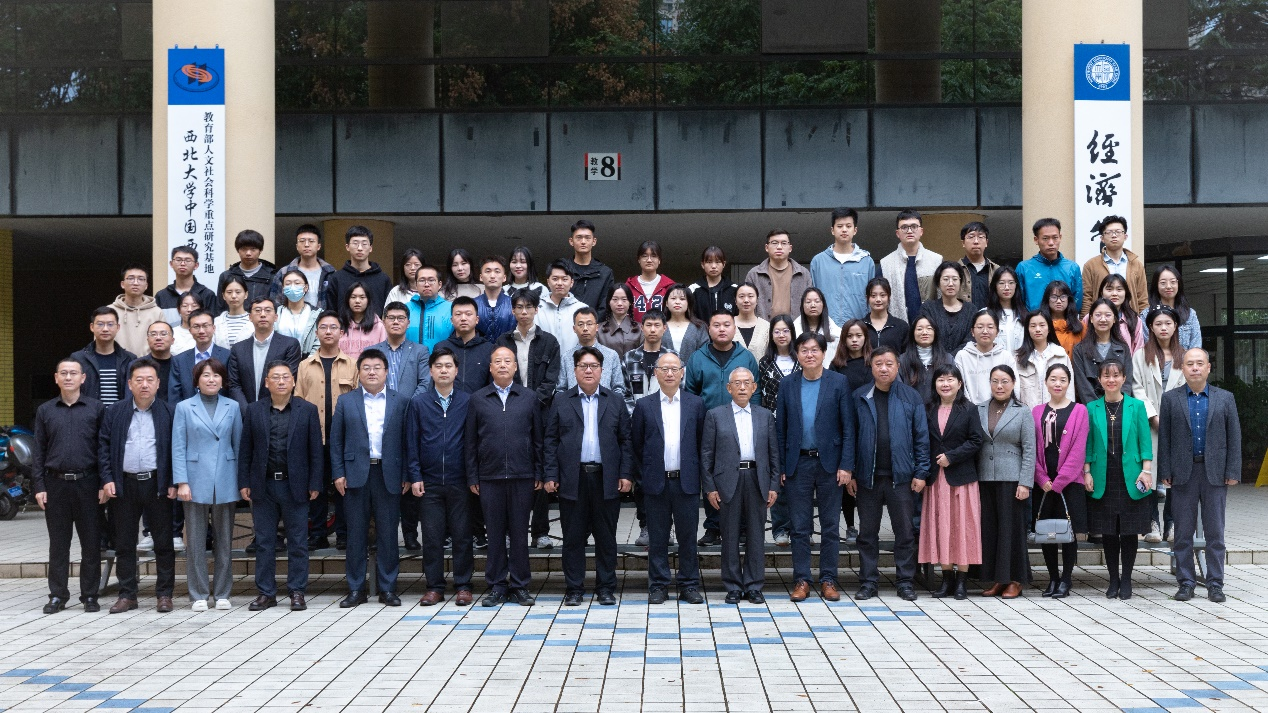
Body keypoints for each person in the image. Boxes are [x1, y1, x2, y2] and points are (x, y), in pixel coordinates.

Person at [545, 346, 633, 607]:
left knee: (606, 538)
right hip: (572, 478)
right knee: (573, 537)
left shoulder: (614, 400)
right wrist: (550, 474)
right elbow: (550, 441)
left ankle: (606, 587)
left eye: (593, 366)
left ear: (602, 370)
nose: (588, 370)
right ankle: (574, 588)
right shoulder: (562, 400)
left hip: (606, 478)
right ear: (574, 371)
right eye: (583, 366)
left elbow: (626, 441)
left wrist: (626, 473)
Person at [237, 361, 323, 612]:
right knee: (265, 542)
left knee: (298, 541)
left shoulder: (307, 410)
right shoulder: (254, 410)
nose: (281, 381)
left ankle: (297, 591)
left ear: (294, 381)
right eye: (275, 377)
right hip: (263, 486)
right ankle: (266, 593)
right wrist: (244, 482)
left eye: (286, 377)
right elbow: (246, 450)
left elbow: (315, 451)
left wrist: (315, 482)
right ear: (267, 383)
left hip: (295, 486)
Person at [776, 333, 855, 602]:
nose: (809, 355)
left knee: (831, 526)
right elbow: (781, 429)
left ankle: (828, 579)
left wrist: (846, 465)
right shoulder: (787, 384)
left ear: (823, 353)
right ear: (797, 355)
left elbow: (848, 428)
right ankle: (802, 580)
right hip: (798, 463)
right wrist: (782, 466)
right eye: (804, 350)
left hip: (830, 464)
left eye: (814, 350)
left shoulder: (838, 382)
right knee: (799, 527)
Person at [331, 349, 411, 608]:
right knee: (356, 534)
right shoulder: (346, 401)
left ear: (387, 372)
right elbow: (336, 441)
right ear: (359, 373)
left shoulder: (401, 401)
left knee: (388, 533)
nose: (372, 372)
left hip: (389, 474)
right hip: (355, 475)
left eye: (377, 367)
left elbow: (408, 442)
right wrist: (338, 473)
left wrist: (407, 474)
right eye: (366, 368)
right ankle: (356, 588)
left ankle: (388, 588)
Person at [1160, 348, 1241, 603]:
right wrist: (1165, 470)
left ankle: (1215, 583)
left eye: (1199, 363)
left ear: (1208, 368)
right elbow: (1165, 439)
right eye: (1190, 364)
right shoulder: (1170, 399)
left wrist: (1233, 470)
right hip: (1182, 473)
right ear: (1182, 368)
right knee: (1183, 533)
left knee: (1215, 532)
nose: (1195, 368)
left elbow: (1234, 436)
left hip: (1214, 473)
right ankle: (1186, 583)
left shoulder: (1225, 398)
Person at [466, 347, 543, 607]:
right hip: (489, 477)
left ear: (515, 367)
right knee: (495, 534)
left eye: (507, 361)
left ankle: (520, 585)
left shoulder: (529, 397)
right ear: (490, 368)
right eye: (497, 361)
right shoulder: (478, 399)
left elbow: (538, 439)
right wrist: (473, 476)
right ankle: (497, 585)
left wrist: (538, 472)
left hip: (523, 475)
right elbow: (470, 442)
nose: (502, 365)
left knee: (520, 533)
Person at [852, 346, 930, 601]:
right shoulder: (860, 396)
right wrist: (851, 472)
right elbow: (850, 437)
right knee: (867, 534)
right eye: (878, 364)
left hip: (902, 478)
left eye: (889, 364)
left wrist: (921, 472)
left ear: (898, 367)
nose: (883, 369)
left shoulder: (911, 397)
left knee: (905, 533)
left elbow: (921, 438)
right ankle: (868, 582)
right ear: (871, 367)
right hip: (868, 478)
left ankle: (905, 582)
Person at [632, 353, 706, 605]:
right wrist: (643, 479)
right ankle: (658, 585)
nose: (670, 373)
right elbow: (637, 446)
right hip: (656, 482)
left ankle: (689, 584)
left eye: (674, 368)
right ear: (656, 373)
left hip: (686, 482)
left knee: (688, 538)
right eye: (664, 369)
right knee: (658, 538)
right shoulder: (644, 405)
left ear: (682, 372)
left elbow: (702, 444)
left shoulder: (696, 404)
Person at [32, 358, 105, 614]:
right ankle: (57, 595)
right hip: (56, 484)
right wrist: (39, 485)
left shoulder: (96, 408)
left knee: (91, 543)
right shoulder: (45, 411)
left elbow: (103, 449)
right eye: (63, 373)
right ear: (56, 378)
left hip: (89, 483)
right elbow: (38, 451)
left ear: (83, 378)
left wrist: (104, 482)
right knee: (59, 544)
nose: (68, 377)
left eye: (73, 373)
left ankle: (90, 595)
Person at [702, 368, 780, 605]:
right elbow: (707, 455)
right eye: (737, 383)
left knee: (756, 534)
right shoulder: (715, 415)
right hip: (727, 480)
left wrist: (774, 484)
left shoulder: (765, 416)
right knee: (730, 534)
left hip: (757, 478)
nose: (742, 387)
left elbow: (774, 454)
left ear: (754, 387)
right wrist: (710, 487)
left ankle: (754, 585)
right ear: (729, 388)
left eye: (747, 383)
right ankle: (733, 585)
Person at [406, 348, 476, 607]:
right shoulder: (419, 403)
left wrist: (473, 477)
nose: (444, 370)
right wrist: (415, 475)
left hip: (460, 481)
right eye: (438, 366)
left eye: (448, 366)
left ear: (456, 371)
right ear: (431, 371)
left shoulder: (468, 401)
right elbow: (412, 442)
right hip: (430, 482)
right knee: (432, 538)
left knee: (462, 536)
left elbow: (474, 442)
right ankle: (434, 586)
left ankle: (463, 585)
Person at [172, 358, 242, 611]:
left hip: (226, 477)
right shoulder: (184, 407)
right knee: (195, 542)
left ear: (223, 380)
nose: (211, 379)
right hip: (194, 479)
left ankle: (223, 593)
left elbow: (238, 445)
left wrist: (242, 481)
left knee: (225, 541)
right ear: (197, 380)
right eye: (206, 375)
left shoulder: (233, 406)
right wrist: (181, 481)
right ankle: (198, 594)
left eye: (216, 375)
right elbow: (178, 446)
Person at [1084, 358, 1153, 600]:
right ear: (1100, 380)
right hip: (1103, 474)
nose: (1111, 380)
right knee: (1109, 532)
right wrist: (1086, 471)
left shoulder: (1137, 406)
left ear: (1124, 379)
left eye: (1116, 375)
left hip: (1131, 475)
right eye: (1106, 375)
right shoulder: (1091, 408)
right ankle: (1113, 579)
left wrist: (1146, 470)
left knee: (1129, 531)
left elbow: (1145, 441)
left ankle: (1126, 580)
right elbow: (1088, 443)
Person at [919, 364, 985, 600]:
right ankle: (946, 579)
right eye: (941, 380)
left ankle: (961, 581)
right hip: (936, 480)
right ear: (934, 384)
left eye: (950, 379)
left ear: (959, 383)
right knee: (942, 527)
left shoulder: (969, 409)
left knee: (962, 527)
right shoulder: (927, 409)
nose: (945, 384)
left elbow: (976, 440)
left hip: (961, 479)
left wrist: (952, 457)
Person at [295, 311, 358, 550]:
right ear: (316, 332)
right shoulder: (304, 366)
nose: (328, 331)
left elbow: (358, 402)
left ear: (341, 333)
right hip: (314, 437)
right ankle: (318, 533)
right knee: (316, 486)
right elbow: (298, 401)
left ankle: (343, 533)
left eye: (333, 327)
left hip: (343, 437)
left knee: (343, 487)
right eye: (323, 327)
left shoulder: (352, 365)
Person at [976, 365, 1035, 599]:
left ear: (1013, 384)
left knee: (1012, 531)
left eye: (1004, 381)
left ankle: (1016, 580)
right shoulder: (980, 408)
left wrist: (1025, 483)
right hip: (985, 478)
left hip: (1012, 479)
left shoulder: (1022, 411)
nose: (999, 386)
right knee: (991, 530)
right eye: (995, 381)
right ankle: (999, 579)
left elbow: (1030, 450)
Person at [1032, 363, 1089, 598]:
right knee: (1047, 533)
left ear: (1069, 383)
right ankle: (1052, 578)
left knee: (1067, 532)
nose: (1057, 384)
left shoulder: (1079, 411)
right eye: (1053, 379)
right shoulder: (1036, 412)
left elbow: (1078, 451)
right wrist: (1041, 478)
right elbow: (1032, 449)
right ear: (1046, 382)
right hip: (1043, 484)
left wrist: (1059, 482)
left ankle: (1066, 579)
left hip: (1069, 483)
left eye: (1062, 380)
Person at [1131, 306, 1186, 544]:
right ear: (1150, 328)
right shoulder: (1140, 355)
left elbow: (1189, 388)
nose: (1163, 328)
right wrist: (1153, 416)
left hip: (1178, 425)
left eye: (1168, 323)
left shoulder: (1185, 356)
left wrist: (1171, 419)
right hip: (1149, 424)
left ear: (1175, 326)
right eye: (1158, 324)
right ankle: (1151, 522)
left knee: (1175, 474)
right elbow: (1136, 388)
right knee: (1149, 472)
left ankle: (1172, 523)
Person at [227, 297, 303, 409]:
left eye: (268, 310)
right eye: (257, 310)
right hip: (245, 412)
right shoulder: (238, 349)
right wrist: (248, 412)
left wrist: (266, 413)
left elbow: (289, 381)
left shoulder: (290, 345)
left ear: (276, 317)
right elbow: (234, 385)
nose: (263, 314)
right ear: (250, 317)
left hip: (278, 411)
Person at [496, 287, 562, 411]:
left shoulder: (550, 342)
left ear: (536, 310)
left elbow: (551, 378)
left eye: (529, 307)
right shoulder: (503, 341)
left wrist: (534, 401)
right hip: (509, 407)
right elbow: (498, 375)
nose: (524, 312)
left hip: (541, 407)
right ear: (513, 310)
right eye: (519, 307)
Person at [811, 207, 878, 326]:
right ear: (832, 230)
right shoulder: (818, 261)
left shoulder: (866, 261)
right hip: (826, 328)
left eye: (848, 226)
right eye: (839, 226)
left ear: (855, 230)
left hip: (858, 328)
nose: (844, 230)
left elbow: (872, 297)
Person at [880, 210, 943, 325]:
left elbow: (942, 297)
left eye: (914, 226)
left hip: (929, 327)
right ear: (897, 233)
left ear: (921, 231)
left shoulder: (936, 260)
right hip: (897, 327)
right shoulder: (885, 263)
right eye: (904, 227)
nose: (909, 231)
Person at [1081, 215, 1148, 315]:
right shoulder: (1091, 265)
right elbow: (1087, 298)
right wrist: (1085, 322)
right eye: (1109, 232)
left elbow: (1142, 299)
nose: (1114, 235)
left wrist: (1143, 322)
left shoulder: (1136, 265)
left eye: (1118, 232)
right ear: (1102, 238)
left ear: (1125, 236)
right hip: (1101, 320)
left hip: (1130, 320)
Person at [1072, 299, 1134, 404]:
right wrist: (1097, 409)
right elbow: (1083, 387)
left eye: (1108, 315)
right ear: (1091, 319)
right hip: (1092, 408)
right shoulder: (1079, 350)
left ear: (1115, 319)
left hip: (1120, 407)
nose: (1103, 319)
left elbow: (1127, 382)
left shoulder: (1123, 348)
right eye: (1098, 315)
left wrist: (1118, 406)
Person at [366, 301, 431, 402]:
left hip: (411, 408)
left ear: (408, 323)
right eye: (391, 318)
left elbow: (425, 383)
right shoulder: (371, 352)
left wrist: (410, 406)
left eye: (401, 318)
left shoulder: (420, 352)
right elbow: (365, 383)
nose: (396, 322)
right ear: (384, 322)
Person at [73, 306, 136, 407]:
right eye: (100, 324)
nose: (105, 329)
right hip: (89, 414)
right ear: (92, 327)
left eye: (110, 324)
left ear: (118, 327)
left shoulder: (129, 359)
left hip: (119, 414)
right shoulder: (78, 359)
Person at [556, 307, 625, 398]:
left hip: (605, 405)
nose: (585, 328)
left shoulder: (611, 355)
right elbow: (561, 390)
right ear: (574, 328)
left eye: (589, 324)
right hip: (573, 405)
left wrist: (610, 405)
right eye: (580, 324)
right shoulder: (566, 357)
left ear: (597, 327)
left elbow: (618, 388)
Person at [744, 229, 813, 320]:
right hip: (763, 326)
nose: (779, 247)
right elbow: (747, 305)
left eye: (784, 243)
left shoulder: (803, 274)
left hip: (795, 326)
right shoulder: (754, 274)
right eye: (774, 243)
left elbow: (810, 303)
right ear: (766, 247)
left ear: (790, 248)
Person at [1017, 218, 1082, 312]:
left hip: (1064, 320)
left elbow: (1077, 302)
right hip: (1034, 320)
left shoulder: (1072, 268)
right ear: (1036, 240)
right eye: (1045, 238)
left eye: (1055, 237)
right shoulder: (1024, 268)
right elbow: (1018, 302)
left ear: (1060, 237)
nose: (1051, 243)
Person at [326, 225, 393, 317]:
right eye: (355, 243)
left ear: (370, 248)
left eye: (364, 244)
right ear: (347, 247)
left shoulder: (383, 279)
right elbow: (331, 312)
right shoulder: (336, 278)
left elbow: (389, 312)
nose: (360, 248)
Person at [169, 309, 230, 406]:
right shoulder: (179, 360)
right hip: (187, 412)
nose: (201, 331)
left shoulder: (227, 356)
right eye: (196, 326)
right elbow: (175, 396)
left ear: (213, 328)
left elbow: (231, 389)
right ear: (190, 330)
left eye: (205, 326)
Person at [269, 224, 336, 311]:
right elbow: (275, 302)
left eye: (311, 241)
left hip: (322, 318)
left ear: (318, 246)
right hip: (290, 318)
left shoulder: (330, 273)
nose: (306, 245)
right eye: (302, 241)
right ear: (297, 246)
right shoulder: (284, 272)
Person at [436, 296, 495, 393]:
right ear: (451, 320)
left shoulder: (489, 349)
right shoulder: (441, 348)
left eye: (468, 314)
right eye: (458, 314)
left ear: (477, 319)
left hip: (480, 401)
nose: (463, 318)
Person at [1013, 311, 1071, 409]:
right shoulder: (1018, 358)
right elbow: (1015, 392)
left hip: (1057, 413)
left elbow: (1069, 389)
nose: (1038, 329)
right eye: (1033, 326)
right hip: (1028, 413)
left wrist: (1068, 411)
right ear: (1027, 329)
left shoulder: (1060, 355)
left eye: (1042, 325)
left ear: (1049, 328)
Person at [621, 308, 675, 412]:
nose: (653, 330)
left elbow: (679, 390)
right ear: (642, 327)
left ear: (664, 328)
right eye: (649, 325)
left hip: (666, 416)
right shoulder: (629, 358)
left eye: (657, 325)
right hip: (635, 417)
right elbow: (624, 393)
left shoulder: (673, 358)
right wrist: (636, 415)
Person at [562, 219, 616, 321]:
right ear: (571, 241)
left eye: (587, 238)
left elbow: (606, 306)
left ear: (594, 241)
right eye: (579, 237)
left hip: (595, 327)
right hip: (565, 325)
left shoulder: (605, 272)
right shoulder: (562, 270)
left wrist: (591, 324)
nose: (583, 242)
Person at [954, 311, 1010, 405]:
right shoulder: (962, 356)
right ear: (972, 331)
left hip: (1001, 409)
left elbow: (1014, 387)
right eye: (980, 327)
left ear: (997, 332)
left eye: (990, 327)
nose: (985, 331)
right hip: (970, 410)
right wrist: (970, 410)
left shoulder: (1006, 356)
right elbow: (959, 388)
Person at [920, 261, 976, 353]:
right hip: (934, 359)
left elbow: (972, 339)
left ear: (960, 282)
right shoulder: (928, 308)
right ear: (938, 283)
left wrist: (952, 358)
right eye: (946, 279)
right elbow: (924, 336)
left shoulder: (971, 310)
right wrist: (942, 358)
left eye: (955, 279)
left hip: (964, 360)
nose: (950, 283)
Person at [110, 264, 165, 357]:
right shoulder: (110, 311)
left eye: (141, 279)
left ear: (146, 285)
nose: (135, 283)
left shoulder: (156, 312)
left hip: (147, 363)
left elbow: (163, 342)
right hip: (117, 363)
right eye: (131, 278)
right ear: (122, 284)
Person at [155, 246, 218, 327]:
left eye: (188, 260)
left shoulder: (207, 295)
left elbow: (211, 324)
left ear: (196, 265)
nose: (182, 264)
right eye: (178, 260)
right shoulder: (162, 296)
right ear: (171, 264)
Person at [216, 229, 277, 311]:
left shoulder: (272, 276)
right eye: (244, 249)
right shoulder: (226, 276)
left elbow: (275, 307)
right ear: (238, 250)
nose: (248, 253)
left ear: (260, 250)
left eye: (253, 249)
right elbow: (220, 308)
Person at [536, 260, 586, 356]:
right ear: (548, 282)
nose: (559, 283)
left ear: (571, 282)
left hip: (574, 362)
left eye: (564, 279)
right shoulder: (536, 308)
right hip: (543, 363)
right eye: (555, 279)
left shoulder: (582, 309)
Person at [1144, 265, 1202, 351]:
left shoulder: (1190, 314)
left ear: (1179, 284)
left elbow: (1196, 346)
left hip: (1186, 359)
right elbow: (1146, 345)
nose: (1168, 286)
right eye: (1163, 283)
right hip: (1155, 359)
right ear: (1156, 285)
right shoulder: (1146, 314)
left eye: (1173, 282)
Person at [898, 315, 952, 405]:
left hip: (942, 410)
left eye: (929, 328)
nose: (924, 332)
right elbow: (899, 392)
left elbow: (953, 388)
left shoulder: (947, 359)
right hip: (911, 411)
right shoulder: (902, 360)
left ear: (935, 332)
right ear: (913, 333)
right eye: (919, 329)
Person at [1086, 274, 1144, 353]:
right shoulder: (1090, 317)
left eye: (1119, 289)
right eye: (1109, 289)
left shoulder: (1134, 319)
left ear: (1125, 293)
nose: (1114, 294)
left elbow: (1138, 350)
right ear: (1101, 293)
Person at [406, 265, 455, 351]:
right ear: (416, 285)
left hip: (441, 358)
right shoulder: (405, 309)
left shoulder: (451, 309)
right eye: (422, 280)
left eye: (431, 280)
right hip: (410, 359)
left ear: (439, 285)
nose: (426, 284)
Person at [626, 240, 675, 324]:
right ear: (639, 260)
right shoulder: (628, 286)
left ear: (659, 260)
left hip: (663, 332)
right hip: (633, 332)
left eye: (653, 256)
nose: (649, 260)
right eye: (644, 256)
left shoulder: (670, 287)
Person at [275, 267, 320, 356]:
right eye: (288, 284)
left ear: (306, 287)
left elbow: (319, 341)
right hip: (279, 360)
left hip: (308, 360)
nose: (292, 287)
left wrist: (308, 362)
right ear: (283, 289)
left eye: (297, 283)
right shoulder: (276, 313)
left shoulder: (317, 314)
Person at [338, 282, 387, 360]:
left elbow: (384, 356)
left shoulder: (378, 326)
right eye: (353, 297)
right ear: (347, 300)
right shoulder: (339, 325)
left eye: (362, 297)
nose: (357, 301)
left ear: (368, 300)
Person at [955, 221, 999, 308]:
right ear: (963, 243)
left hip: (991, 316)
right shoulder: (954, 270)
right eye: (971, 237)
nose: (976, 241)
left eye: (981, 237)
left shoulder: (996, 270)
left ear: (986, 242)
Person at [663, 283, 709, 363]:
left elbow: (705, 354)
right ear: (666, 303)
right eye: (673, 298)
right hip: (664, 370)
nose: (677, 302)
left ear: (688, 303)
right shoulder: (659, 326)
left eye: (682, 299)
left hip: (692, 370)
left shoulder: (699, 327)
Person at [687, 246, 738, 318]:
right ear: (702, 264)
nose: (713, 266)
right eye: (709, 262)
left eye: (718, 262)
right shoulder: (693, 289)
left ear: (724, 264)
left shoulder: (734, 289)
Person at [474, 255, 515, 342]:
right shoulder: (473, 304)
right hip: (479, 349)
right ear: (481, 277)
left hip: (507, 350)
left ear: (504, 277)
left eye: (497, 271)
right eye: (488, 271)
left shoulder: (513, 304)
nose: (492, 276)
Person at [986, 267, 1026, 353]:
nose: (1007, 287)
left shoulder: (1024, 314)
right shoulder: (985, 314)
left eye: (1011, 283)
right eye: (1001, 283)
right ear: (995, 286)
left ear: (1016, 285)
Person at [863, 277, 908, 352]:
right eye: (873, 296)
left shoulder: (901, 326)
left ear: (889, 297)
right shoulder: (860, 326)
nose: (878, 299)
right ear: (867, 298)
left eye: (882, 295)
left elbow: (906, 355)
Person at [1040, 280, 1084, 358]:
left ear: (1068, 299)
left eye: (1063, 297)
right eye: (1054, 297)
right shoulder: (1040, 326)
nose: (1059, 301)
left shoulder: (1080, 327)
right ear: (1047, 299)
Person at [793, 287, 841, 357]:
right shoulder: (794, 331)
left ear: (823, 305)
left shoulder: (836, 333)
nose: (813, 305)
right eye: (808, 302)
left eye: (817, 301)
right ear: (802, 306)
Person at [597, 284, 642, 358]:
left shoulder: (640, 329)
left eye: (624, 299)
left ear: (630, 302)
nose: (619, 303)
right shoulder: (598, 330)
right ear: (609, 302)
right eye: (615, 299)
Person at [830, 319, 874, 395]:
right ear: (844, 339)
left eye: (859, 335)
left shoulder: (874, 362)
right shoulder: (836, 365)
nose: (854, 340)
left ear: (865, 337)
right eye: (849, 336)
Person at [213, 275, 253, 349]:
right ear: (223, 296)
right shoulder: (216, 322)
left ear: (246, 295)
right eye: (229, 292)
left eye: (238, 292)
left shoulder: (253, 322)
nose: (233, 296)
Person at [733, 283, 770, 360]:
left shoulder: (766, 327)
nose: (746, 300)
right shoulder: (727, 325)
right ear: (735, 301)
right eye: (741, 296)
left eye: (750, 296)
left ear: (757, 300)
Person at [144, 321, 175, 403]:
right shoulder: (138, 365)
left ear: (172, 340)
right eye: (153, 334)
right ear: (148, 340)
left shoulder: (181, 365)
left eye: (163, 334)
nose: (158, 338)